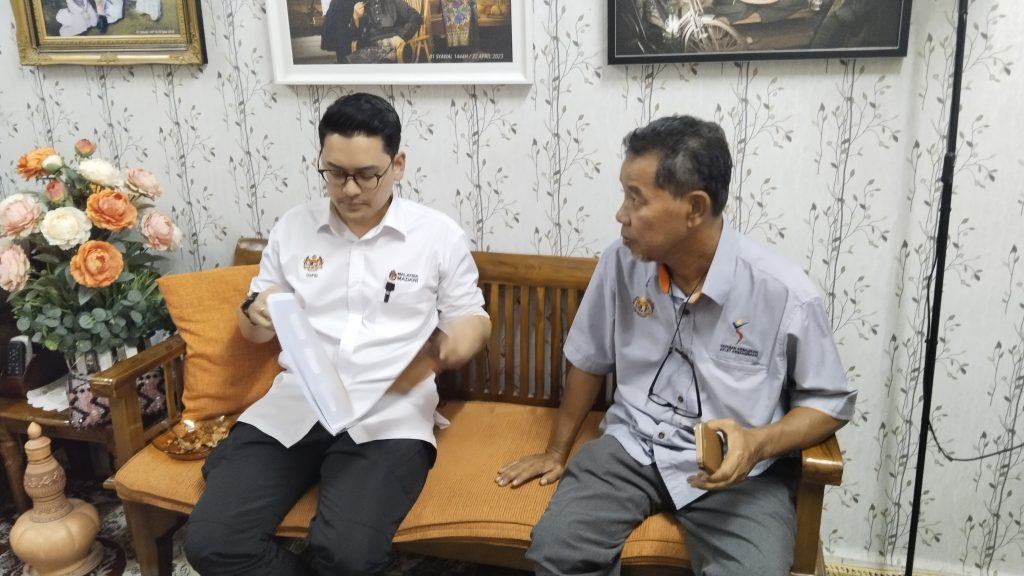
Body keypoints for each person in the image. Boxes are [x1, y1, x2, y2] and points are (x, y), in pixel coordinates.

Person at [496, 115, 857, 576]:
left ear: (694, 208)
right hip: (632, 446)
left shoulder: (783, 293)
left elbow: (828, 402)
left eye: (635, 198)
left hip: (738, 473)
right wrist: (556, 450)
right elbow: (588, 358)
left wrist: (758, 443)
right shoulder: (621, 263)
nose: (621, 214)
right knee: (559, 552)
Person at [184, 93, 491, 575]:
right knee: (211, 544)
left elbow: (472, 317)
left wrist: (454, 344)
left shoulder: (436, 235)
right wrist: (255, 312)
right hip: (296, 405)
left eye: (367, 174)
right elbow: (254, 331)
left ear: (398, 165)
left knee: (348, 556)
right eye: (335, 173)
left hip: (389, 411)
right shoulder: (294, 227)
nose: (349, 189)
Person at [321, 0, 423, 64]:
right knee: (346, 65)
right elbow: (355, 37)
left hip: (394, 46)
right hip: (370, 49)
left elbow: (416, 17)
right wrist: (355, 18)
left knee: (383, 65)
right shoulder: (363, 6)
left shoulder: (393, 2)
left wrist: (402, 36)